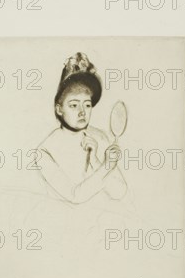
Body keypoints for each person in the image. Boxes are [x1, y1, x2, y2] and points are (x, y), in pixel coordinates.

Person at [36, 52, 127, 204]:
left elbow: (119, 192)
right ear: (59, 109)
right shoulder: (45, 151)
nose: (82, 112)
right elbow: (74, 196)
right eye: (73, 105)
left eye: (87, 104)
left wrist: (96, 161)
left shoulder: (100, 137)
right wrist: (106, 167)